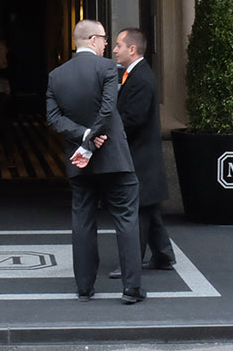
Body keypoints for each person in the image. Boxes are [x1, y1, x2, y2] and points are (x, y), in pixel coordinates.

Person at [45, 18, 145, 304]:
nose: (107, 45)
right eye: (104, 39)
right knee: (126, 219)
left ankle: (84, 287)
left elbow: (53, 119)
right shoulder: (106, 69)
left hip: (79, 161)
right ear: (92, 40)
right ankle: (131, 288)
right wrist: (92, 136)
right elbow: (107, 108)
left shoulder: (57, 76)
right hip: (114, 158)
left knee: (83, 220)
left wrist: (83, 137)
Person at [109, 27, 175, 278]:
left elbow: (132, 120)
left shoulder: (141, 78)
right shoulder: (135, 75)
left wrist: (107, 133)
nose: (114, 50)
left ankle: (131, 263)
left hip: (140, 157)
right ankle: (164, 255)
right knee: (148, 209)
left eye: (118, 45)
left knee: (136, 212)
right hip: (143, 156)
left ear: (132, 49)